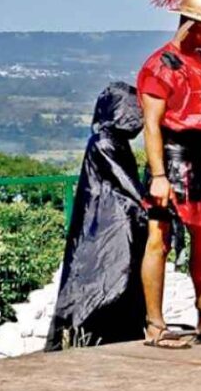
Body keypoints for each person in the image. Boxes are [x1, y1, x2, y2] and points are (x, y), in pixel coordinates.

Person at [136, 0, 201, 348]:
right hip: (173, 155)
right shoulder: (160, 64)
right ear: (192, 25)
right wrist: (159, 174)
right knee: (159, 238)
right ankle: (155, 324)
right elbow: (152, 125)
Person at [46, 82, 147, 350]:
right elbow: (124, 183)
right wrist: (147, 206)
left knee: (123, 277)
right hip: (106, 224)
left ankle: (118, 328)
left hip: (113, 221)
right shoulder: (104, 143)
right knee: (110, 274)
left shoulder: (115, 142)